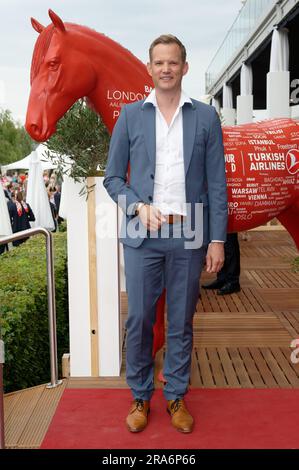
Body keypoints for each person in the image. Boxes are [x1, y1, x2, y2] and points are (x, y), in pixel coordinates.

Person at [103, 35, 227, 433]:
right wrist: (138, 205)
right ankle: (140, 395)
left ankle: (175, 396)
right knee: (139, 318)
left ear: (184, 67)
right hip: (142, 231)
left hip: (190, 229)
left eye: (173, 62)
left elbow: (217, 183)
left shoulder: (206, 117)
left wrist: (218, 239)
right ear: (150, 67)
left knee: (181, 321)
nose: (166, 69)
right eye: (159, 63)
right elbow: (111, 180)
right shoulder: (130, 116)